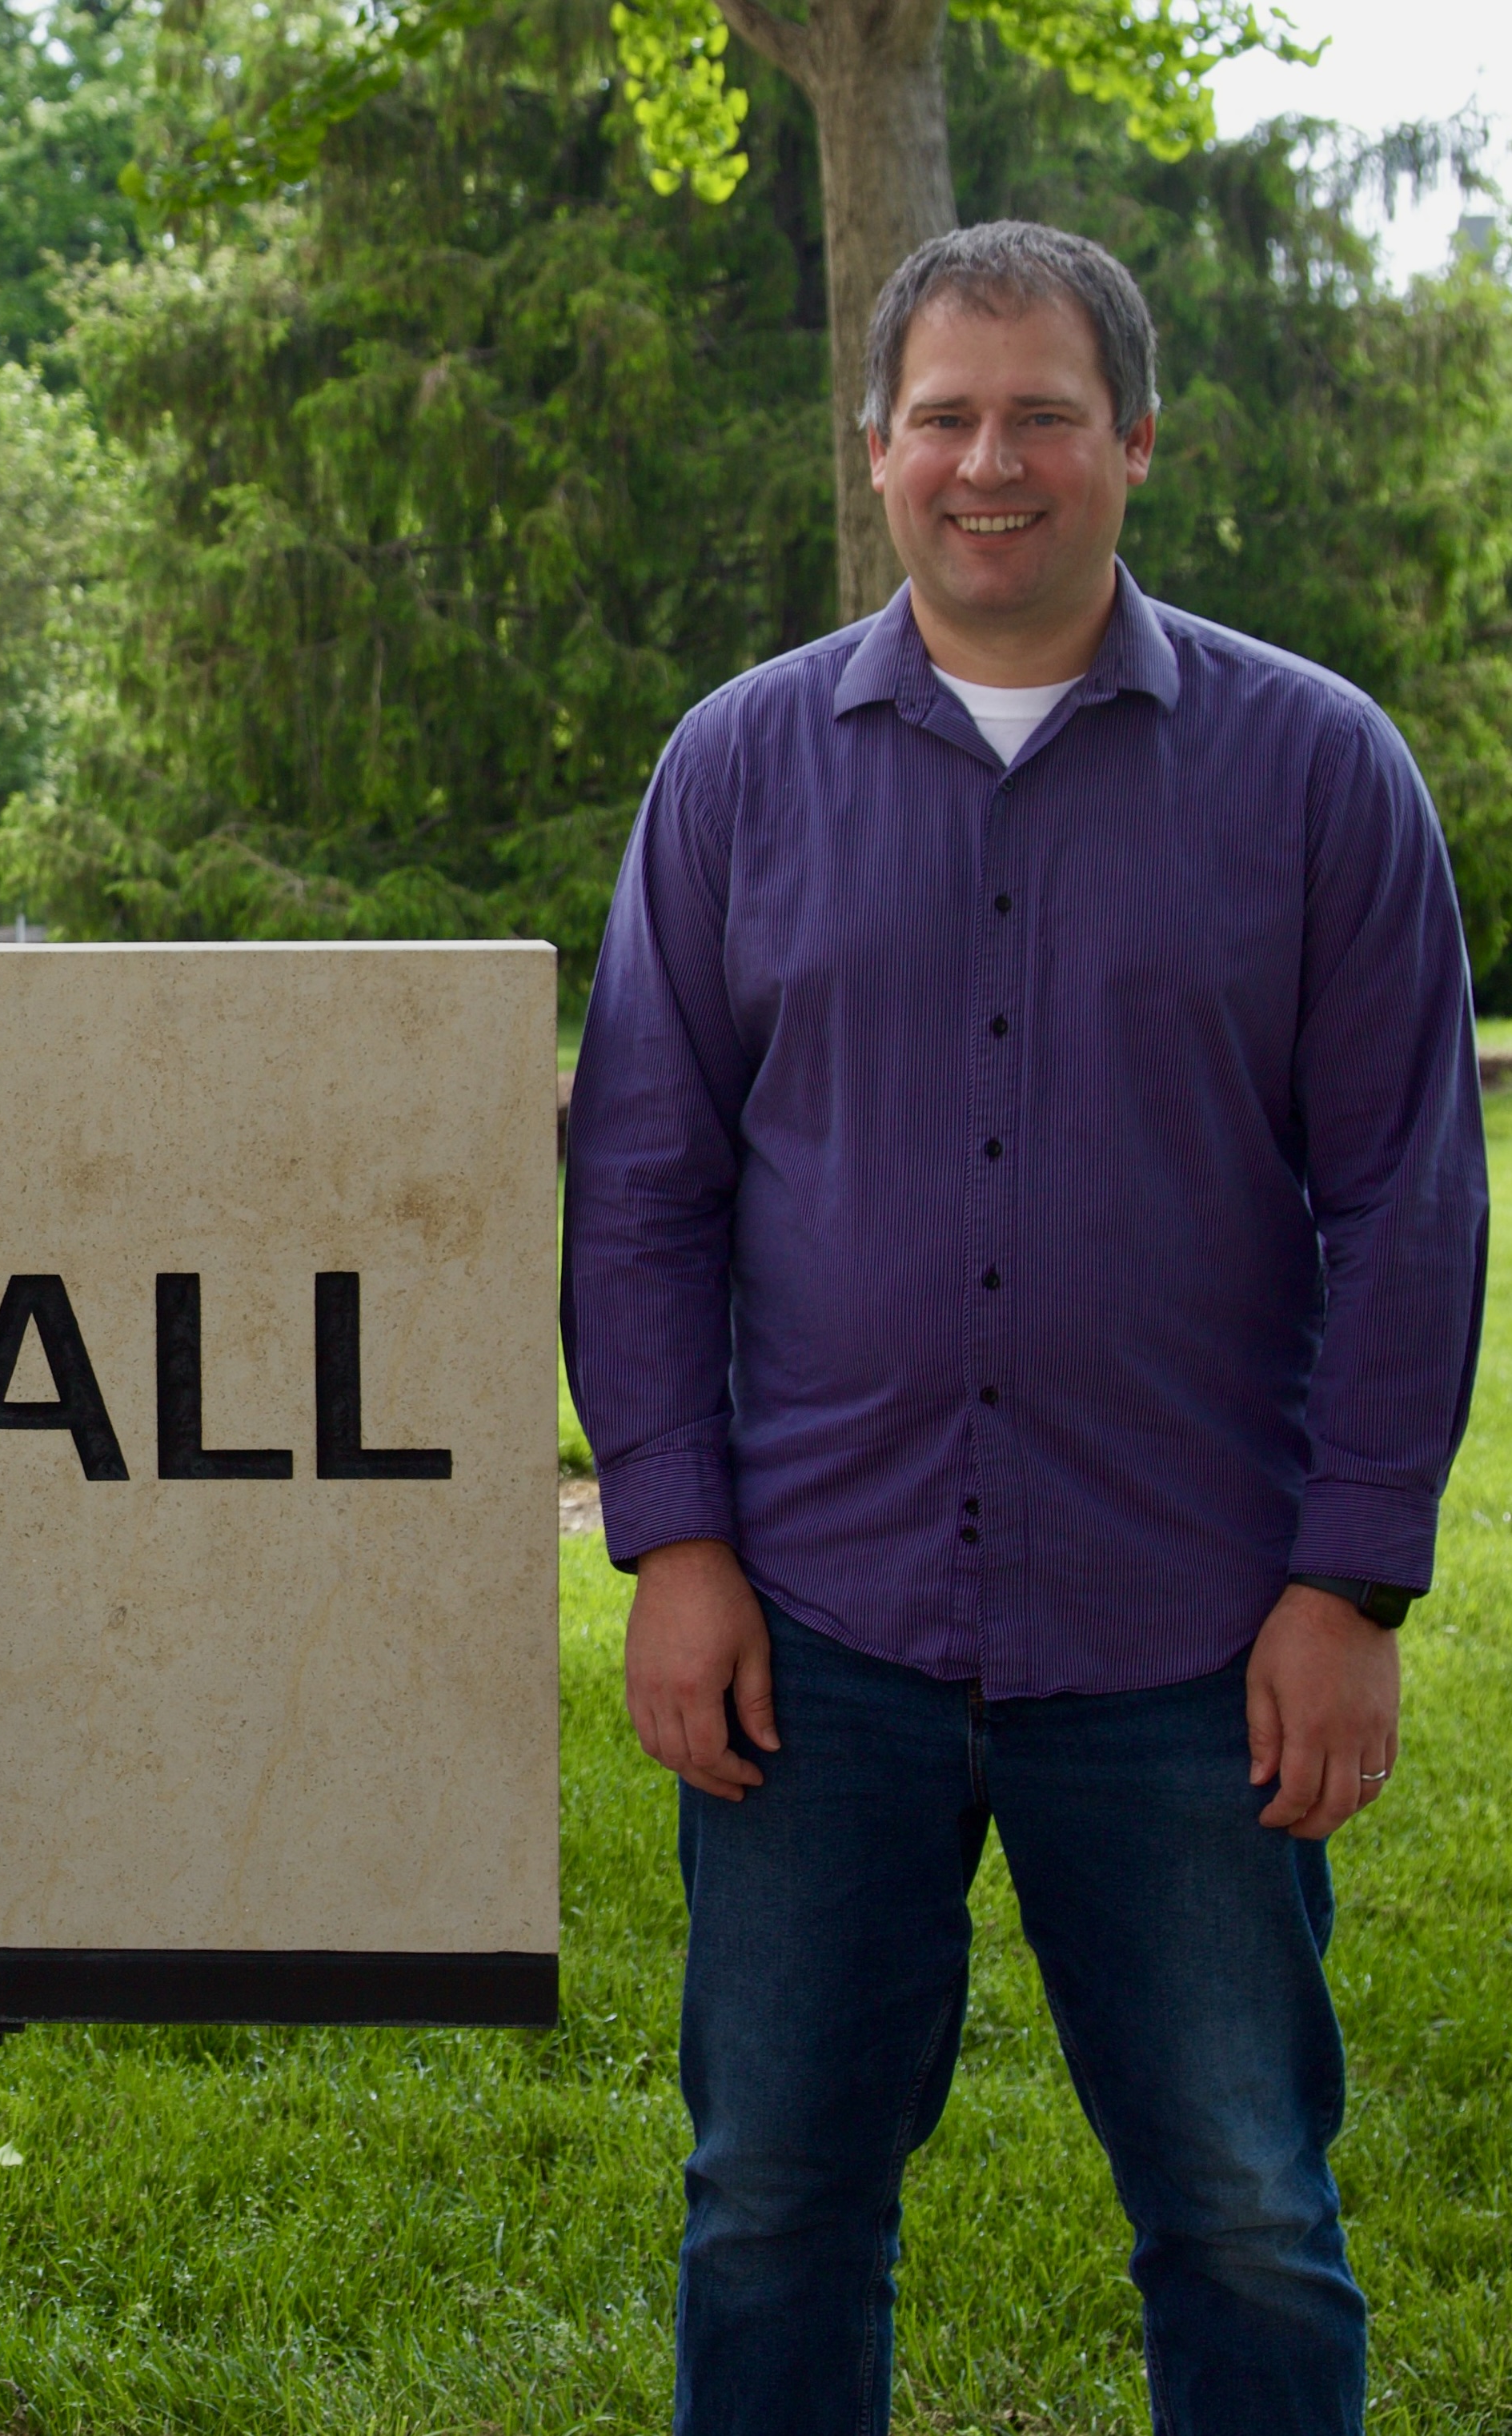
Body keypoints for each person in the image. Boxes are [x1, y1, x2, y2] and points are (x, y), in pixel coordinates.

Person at [562, 220, 1486, 2435]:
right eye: (947, 416)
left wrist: (1350, 1579)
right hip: (822, 1628)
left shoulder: (1320, 773)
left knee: (1248, 2210)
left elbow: (1410, 1199)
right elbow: (646, 1184)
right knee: (772, 2202)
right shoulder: (736, 773)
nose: (995, 459)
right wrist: (673, 1542)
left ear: (1135, 441)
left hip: (1191, 1632)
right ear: (876, 450)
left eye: (1043, 413)